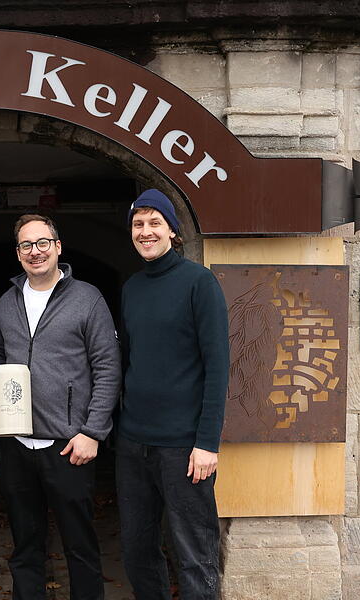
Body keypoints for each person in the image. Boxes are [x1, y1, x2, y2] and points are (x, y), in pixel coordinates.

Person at [0, 214, 121, 600]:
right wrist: (3, 401)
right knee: (25, 546)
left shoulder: (87, 298)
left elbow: (108, 368)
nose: (36, 251)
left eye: (43, 242)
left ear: (58, 247)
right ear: (18, 253)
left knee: (79, 544)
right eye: (26, 245)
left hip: (69, 445)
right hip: (16, 444)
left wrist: (93, 432)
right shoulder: (7, 301)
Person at [116, 189, 230, 600]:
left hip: (184, 447)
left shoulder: (200, 283)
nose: (145, 232)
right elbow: (129, 361)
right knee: (136, 550)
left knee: (195, 554)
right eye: (138, 224)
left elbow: (218, 368)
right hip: (133, 444)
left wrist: (206, 443)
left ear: (172, 231)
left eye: (154, 223)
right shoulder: (131, 288)